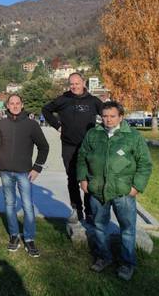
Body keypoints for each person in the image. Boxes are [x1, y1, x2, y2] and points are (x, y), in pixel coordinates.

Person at [77, 101, 152, 281]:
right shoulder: (93, 134)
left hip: (124, 192)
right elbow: (81, 157)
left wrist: (136, 187)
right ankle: (104, 257)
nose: (108, 120)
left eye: (112, 116)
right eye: (104, 116)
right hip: (97, 190)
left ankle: (127, 263)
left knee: (127, 229)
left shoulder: (133, 137)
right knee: (99, 226)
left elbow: (145, 164)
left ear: (121, 117)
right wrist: (83, 179)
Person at [42, 72, 104, 222]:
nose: (74, 86)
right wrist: (57, 126)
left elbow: (108, 115)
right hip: (69, 145)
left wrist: (102, 132)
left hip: (88, 147)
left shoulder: (93, 101)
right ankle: (77, 209)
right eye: (72, 84)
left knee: (88, 178)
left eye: (77, 83)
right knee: (72, 178)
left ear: (84, 83)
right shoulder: (64, 99)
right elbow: (46, 110)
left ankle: (90, 211)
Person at [0, 94, 49, 257]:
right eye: (12, 103)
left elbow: (44, 147)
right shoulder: (1, 124)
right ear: (8, 106)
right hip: (5, 172)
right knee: (9, 204)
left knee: (27, 206)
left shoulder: (31, 124)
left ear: (22, 105)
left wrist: (37, 168)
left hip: (24, 172)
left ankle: (29, 239)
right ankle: (14, 235)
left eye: (18, 103)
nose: (15, 106)